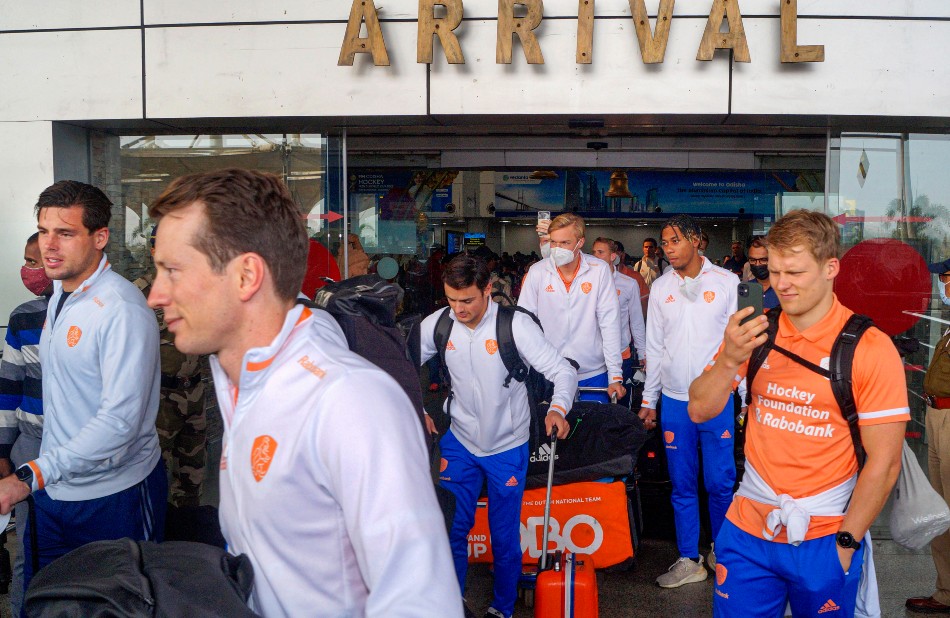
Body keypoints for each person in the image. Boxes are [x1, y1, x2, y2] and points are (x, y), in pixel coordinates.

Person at [146, 168, 462, 617]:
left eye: (172, 271)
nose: (155, 295)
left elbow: (421, 603)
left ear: (245, 275)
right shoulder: (240, 379)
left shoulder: (348, 401)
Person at [689, 209, 908, 617]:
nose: (781, 285)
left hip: (825, 533)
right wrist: (729, 359)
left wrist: (846, 544)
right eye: (773, 271)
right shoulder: (758, 332)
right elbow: (700, 409)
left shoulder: (869, 348)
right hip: (747, 530)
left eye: (794, 272)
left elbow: (886, 462)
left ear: (830, 268)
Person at [0, 181, 167, 594]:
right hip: (53, 489)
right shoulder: (59, 296)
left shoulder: (122, 309)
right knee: (49, 598)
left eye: (65, 233)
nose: (47, 247)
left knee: (119, 602)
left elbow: (120, 422)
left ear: (100, 237)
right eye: (43, 231)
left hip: (115, 495)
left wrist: (30, 474)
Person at [421, 254, 576, 618]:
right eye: (451, 300)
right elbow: (401, 359)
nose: (458, 309)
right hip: (459, 440)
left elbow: (562, 371)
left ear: (487, 289)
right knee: (451, 527)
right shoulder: (439, 325)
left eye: (467, 300)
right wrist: (419, 408)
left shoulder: (515, 326)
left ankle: (502, 608)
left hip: (507, 444)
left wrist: (558, 408)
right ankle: (450, 605)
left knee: (504, 536)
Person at [639, 214, 739, 588]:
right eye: (664, 242)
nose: (668, 248)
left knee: (720, 482)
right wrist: (650, 400)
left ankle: (724, 551)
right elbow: (654, 346)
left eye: (675, 240)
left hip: (717, 398)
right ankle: (688, 558)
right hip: (675, 401)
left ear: (696, 240)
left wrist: (740, 393)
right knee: (681, 483)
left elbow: (740, 343)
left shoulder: (728, 284)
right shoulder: (662, 287)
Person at [134, 227, 208, 511]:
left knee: (193, 475)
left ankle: (188, 540)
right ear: (153, 250)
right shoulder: (138, 292)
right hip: (160, 398)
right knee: (155, 476)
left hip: (195, 393)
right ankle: (157, 547)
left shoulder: (198, 288)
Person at [0, 233, 52, 616]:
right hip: (30, 446)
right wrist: (3, 451)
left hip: (76, 452)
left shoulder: (94, 312)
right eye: (27, 261)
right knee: (28, 550)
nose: (29, 270)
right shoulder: (23, 317)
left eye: (35, 262)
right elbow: (8, 389)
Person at [521, 213, 625, 404]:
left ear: (580, 242)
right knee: (553, 431)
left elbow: (609, 323)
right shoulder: (538, 272)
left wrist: (615, 375)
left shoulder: (598, 270)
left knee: (592, 431)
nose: (557, 249)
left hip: (592, 372)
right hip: (549, 372)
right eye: (553, 243)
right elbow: (523, 324)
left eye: (565, 243)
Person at [907, 257, 950, 614]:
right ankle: (946, 591)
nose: (943, 286)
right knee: (943, 512)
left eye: (947, 278)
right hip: (938, 416)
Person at [591, 237, 646, 408]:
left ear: (613, 256)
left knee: (621, 408)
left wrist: (643, 353)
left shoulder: (628, 284)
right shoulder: (586, 283)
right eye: (593, 253)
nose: (595, 256)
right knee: (596, 407)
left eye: (601, 252)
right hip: (593, 356)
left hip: (621, 355)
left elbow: (636, 321)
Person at [615, 240, 650, 318]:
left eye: (616, 252)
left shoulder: (635, 277)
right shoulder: (600, 277)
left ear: (622, 255)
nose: (613, 256)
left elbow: (644, 302)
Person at [746, 236, 780, 310]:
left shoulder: (784, 288)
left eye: (763, 260)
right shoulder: (746, 289)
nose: (757, 264)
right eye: (753, 260)